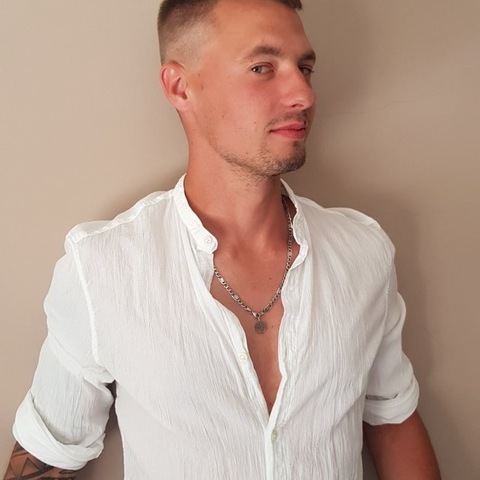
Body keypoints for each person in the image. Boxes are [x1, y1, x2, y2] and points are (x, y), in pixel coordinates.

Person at [4, 0, 441, 478]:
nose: (303, 94)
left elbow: (392, 418)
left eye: (305, 68)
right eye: (262, 67)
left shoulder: (362, 252)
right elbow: (47, 454)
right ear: (180, 87)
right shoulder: (103, 269)